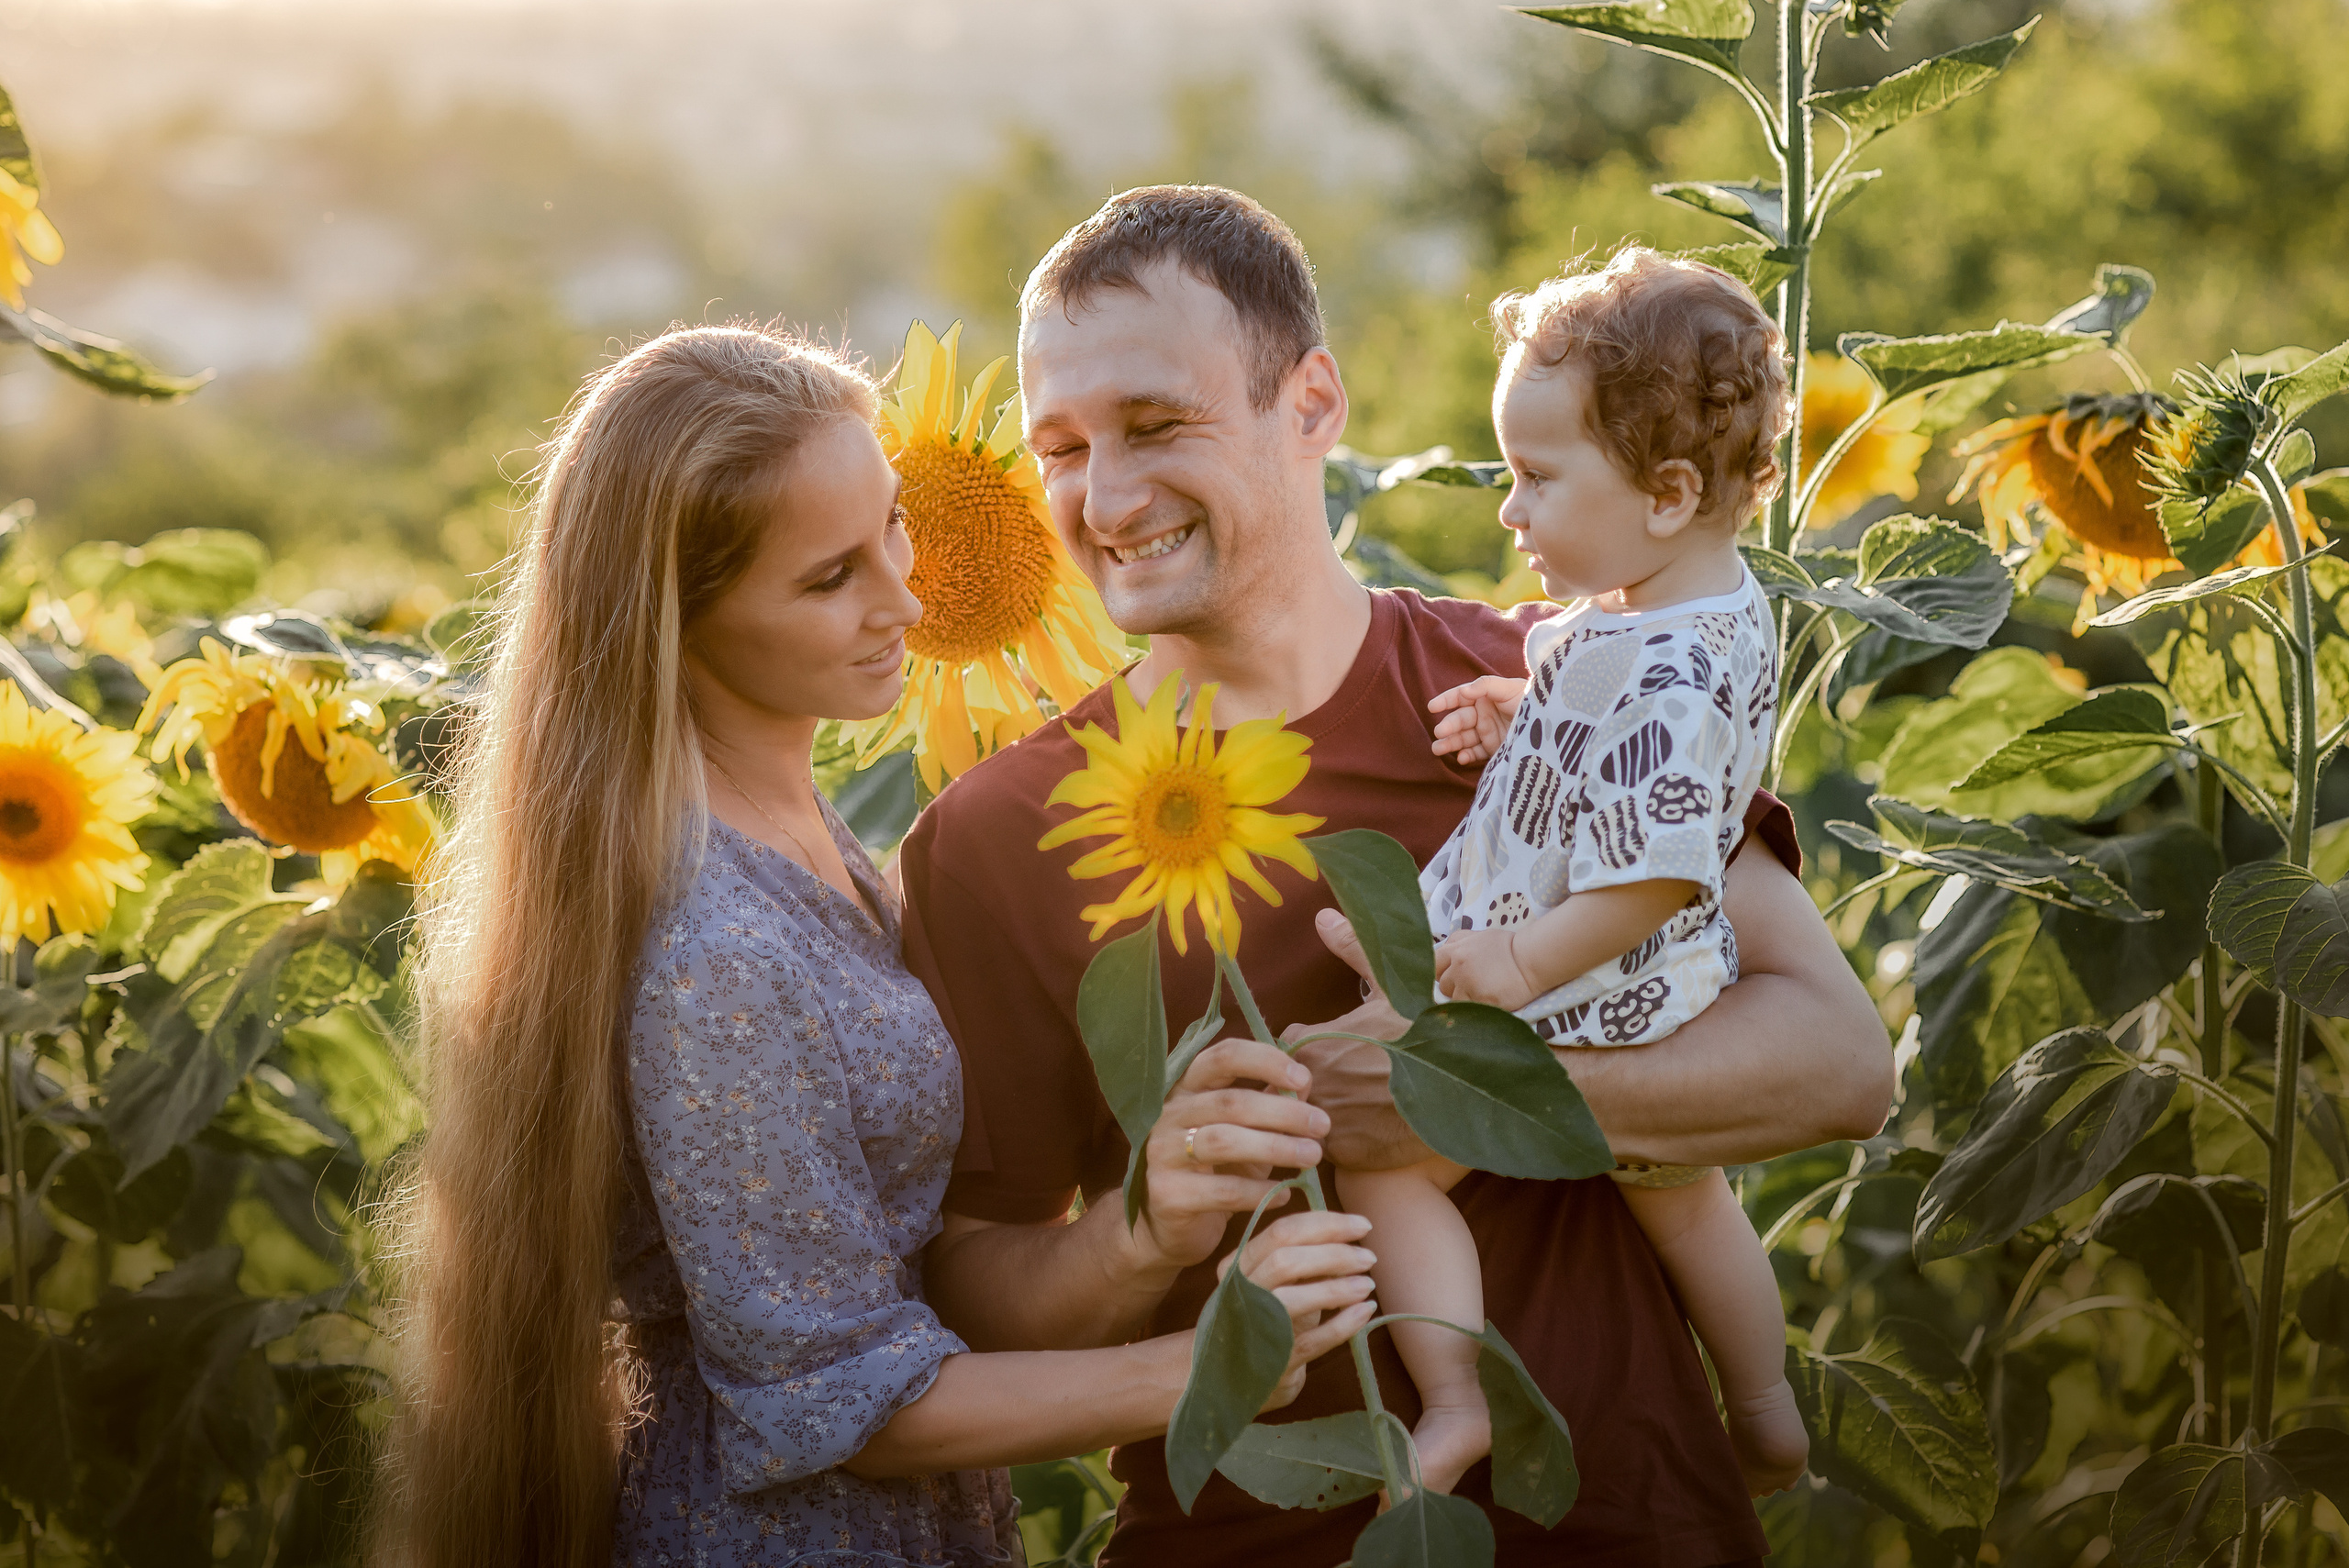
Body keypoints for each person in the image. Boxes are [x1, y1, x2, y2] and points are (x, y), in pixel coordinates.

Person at [897, 184, 1892, 1566]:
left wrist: (1450, 1089)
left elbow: (1839, 1062)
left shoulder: (1544, 685)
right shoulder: (1000, 836)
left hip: (1629, 1516)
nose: (1103, 498)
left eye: (1155, 423)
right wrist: (1140, 1234)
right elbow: (969, 1296)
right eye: (1059, 447)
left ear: (1312, 403)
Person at [373, 324, 1380, 1568]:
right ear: (674, 618)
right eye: (828, 577)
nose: (905, 597)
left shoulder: (788, 823)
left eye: (893, 525)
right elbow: (838, 1399)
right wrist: (1215, 1360)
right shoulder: (716, 950)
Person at [1339, 246, 1809, 1505]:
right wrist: (1525, 707)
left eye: (1535, 478)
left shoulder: (1664, 668)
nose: (1510, 510)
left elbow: (1655, 871)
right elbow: (1609, 696)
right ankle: (1767, 1414)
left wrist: (1518, 961)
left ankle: (1450, 1403)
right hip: (1660, 990)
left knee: (1385, 1161)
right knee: (1691, 1205)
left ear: (1664, 492)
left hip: (1585, 980)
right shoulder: (1687, 606)